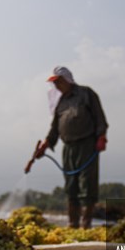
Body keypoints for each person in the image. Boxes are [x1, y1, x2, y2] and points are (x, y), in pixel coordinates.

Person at [29, 67, 108, 228]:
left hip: (87, 145)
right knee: (71, 187)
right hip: (68, 147)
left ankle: (86, 224)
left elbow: (99, 117)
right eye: (54, 83)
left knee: (87, 185)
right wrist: (46, 144)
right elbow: (55, 128)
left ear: (67, 79)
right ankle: (73, 224)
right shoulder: (61, 101)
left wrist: (101, 136)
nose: (57, 85)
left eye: (58, 81)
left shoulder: (86, 94)